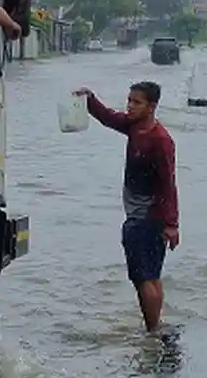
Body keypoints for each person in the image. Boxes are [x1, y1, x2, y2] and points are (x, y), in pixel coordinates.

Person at [74, 81, 179, 334]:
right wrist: (90, 99)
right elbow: (108, 117)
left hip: (146, 216)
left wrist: (171, 224)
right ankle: (156, 326)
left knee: (143, 278)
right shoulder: (133, 127)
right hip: (140, 214)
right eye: (129, 100)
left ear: (152, 107)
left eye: (136, 102)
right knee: (151, 275)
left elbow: (168, 183)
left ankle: (152, 331)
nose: (130, 106)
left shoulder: (161, 140)